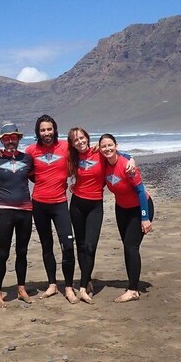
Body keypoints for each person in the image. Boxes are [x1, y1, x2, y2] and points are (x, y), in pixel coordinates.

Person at [66, 127, 136, 304]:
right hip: (76, 205)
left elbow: (117, 154)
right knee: (80, 245)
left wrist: (132, 159)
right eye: (76, 140)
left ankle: (82, 288)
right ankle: (87, 281)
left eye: (82, 138)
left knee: (90, 246)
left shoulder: (98, 153)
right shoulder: (72, 158)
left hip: (95, 205)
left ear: (88, 139)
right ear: (72, 143)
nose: (80, 142)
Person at [24, 114, 78, 303]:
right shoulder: (31, 150)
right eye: (42, 130)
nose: (46, 133)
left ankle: (69, 287)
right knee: (47, 246)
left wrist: (127, 157)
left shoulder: (66, 146)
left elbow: (86, 152)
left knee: (68, 246)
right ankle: (52, 285)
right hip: (39, 204)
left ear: (55, 129)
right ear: (38, 132)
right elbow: (23, 169)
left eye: (49, 129)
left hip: (60, 204)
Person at [98, 133, 153, 303]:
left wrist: (145, 218)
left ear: (116, 146)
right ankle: (132, 284)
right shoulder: (104, 164)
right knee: (127, 246)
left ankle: (133, 290)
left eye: (110, 145)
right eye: (103, 146)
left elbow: (141, 192)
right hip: (121, 209)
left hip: (140, 208)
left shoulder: (127, 166)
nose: (107, 149)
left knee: (131, 246)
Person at [0, 122, 35, 308]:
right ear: (2, 140)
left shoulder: (28, 159)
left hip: (25, 211)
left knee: (22, 251)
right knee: (3, 253)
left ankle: (21, 289)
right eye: (6, 138)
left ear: (18, 139)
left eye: (13, 137)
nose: (10, 141)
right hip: (5, 212)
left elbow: (38, 176)